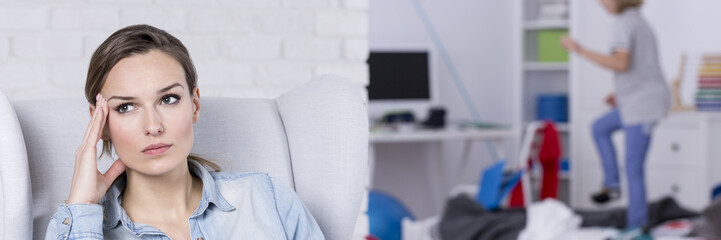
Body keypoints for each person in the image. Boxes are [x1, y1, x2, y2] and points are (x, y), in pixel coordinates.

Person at [45, 24, 324, 239]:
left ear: (195, 104)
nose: (153, 126)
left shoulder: (267, 198)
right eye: (127, 107)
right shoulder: (71, 226)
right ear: (100, 121)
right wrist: (83, 205)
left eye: (168, 99)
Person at [561, 0, 670, 235]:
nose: (600, 3)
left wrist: (580, 50)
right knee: (600, 127)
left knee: (633, 168)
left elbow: (621, 63)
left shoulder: (623, 22)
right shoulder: (637, 20)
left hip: (643, 106)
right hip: (637, 100)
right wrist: (621, 93)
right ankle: (611, 184)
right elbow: (642, 65)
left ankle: (637, 226)